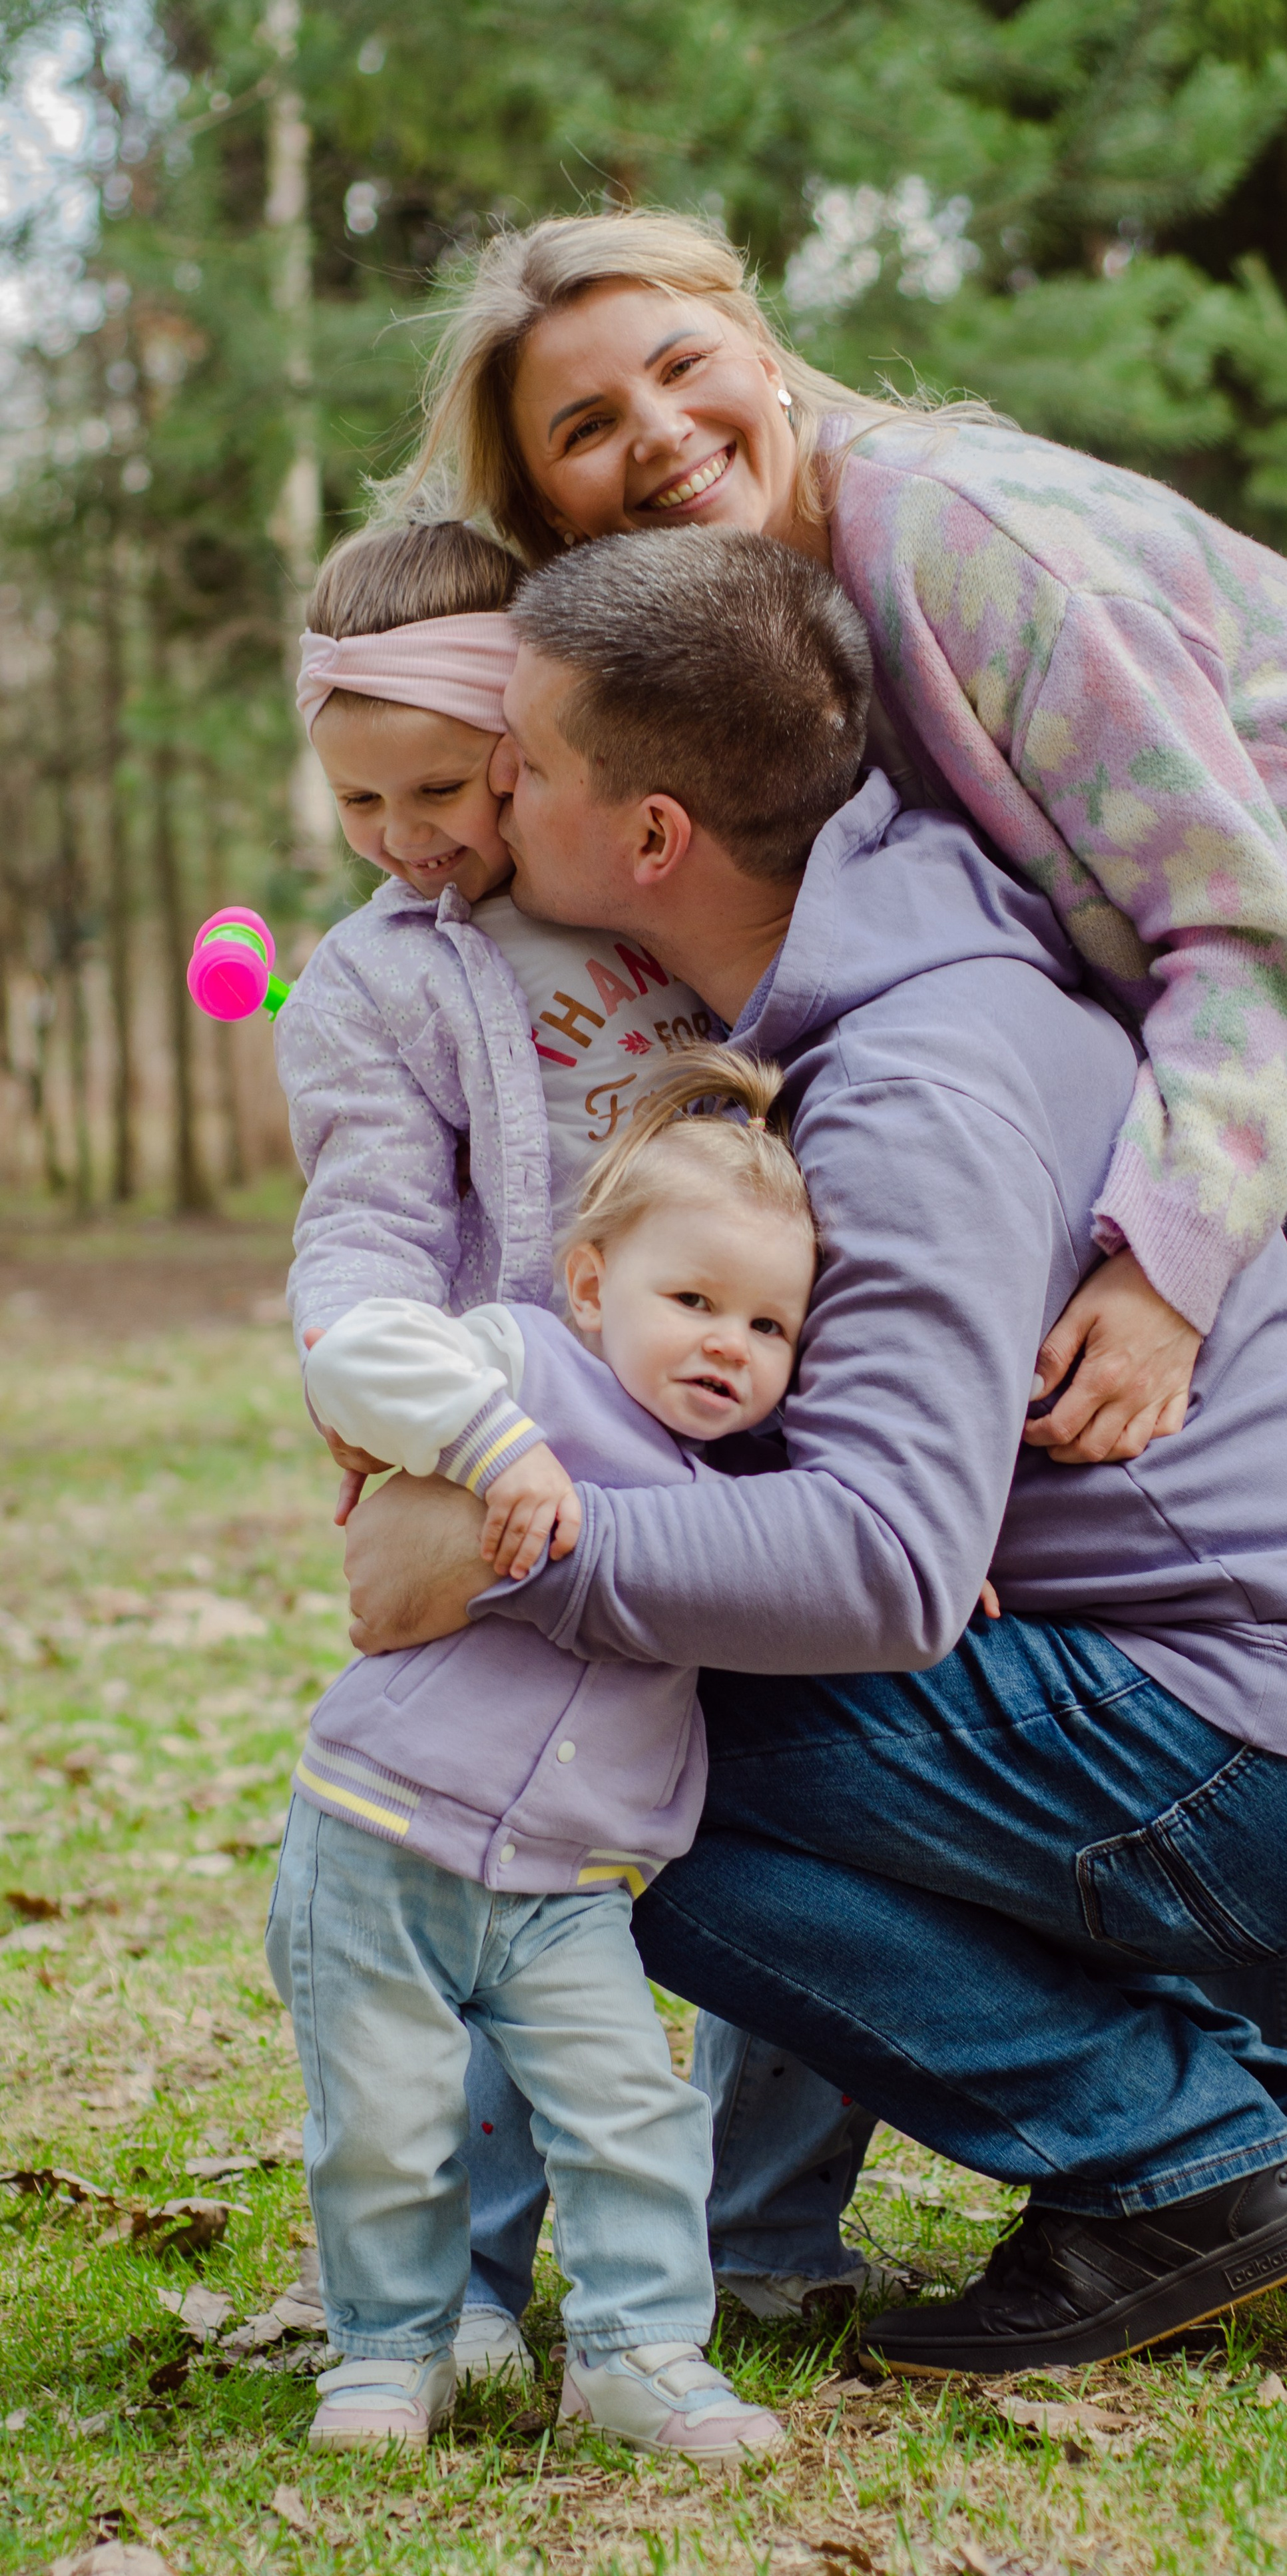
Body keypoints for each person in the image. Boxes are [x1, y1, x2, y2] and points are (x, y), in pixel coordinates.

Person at [386, 207, 1287, 2401]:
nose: (658, 432)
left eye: (682, 363)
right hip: (1227, 1041)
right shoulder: (721, 663)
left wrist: (1173, 1263)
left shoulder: (956, 541)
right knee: (1196, 1547)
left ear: (764, 350)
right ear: (550, 503)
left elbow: (1243, 931)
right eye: (585, 425)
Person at [341, 525, 1287, 2378]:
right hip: (1243, 1704)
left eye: (524, 761)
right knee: (664, 1757)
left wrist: (515, 1553)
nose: (489, 792)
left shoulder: (905, 1091)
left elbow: (882, 1564)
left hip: (1270, 1746)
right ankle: (1242, 2121)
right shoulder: (896, 972)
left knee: (612, 1756)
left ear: (652, 836)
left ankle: (1177, 2153)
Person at [280, 514, 714, 2381]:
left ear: (525, 745)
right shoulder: (372, 981)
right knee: (492, 1849)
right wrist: (396, 1393)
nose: (401, 836)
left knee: (724, 1822)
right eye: (357, 801)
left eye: (438, 788)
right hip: (518, 1458)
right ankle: (459, 2281)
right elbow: (367, 1223)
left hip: (723, 1439)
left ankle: (760, 2233)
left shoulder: (662, 892)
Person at [275, 1047, 815, 2459]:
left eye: (767, 1324)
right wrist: (493, 1447)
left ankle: (640, 2352)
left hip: (571, 1883)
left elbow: (849, 1565)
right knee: (389, 2121)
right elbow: (356, 1353)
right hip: (383, 1837)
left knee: (633, 2112)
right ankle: (390, 2351)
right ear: (591, 1285)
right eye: (692, 1301)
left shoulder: (741, 1491)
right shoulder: (523, 1361)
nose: (727, 1344)